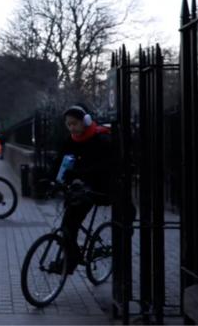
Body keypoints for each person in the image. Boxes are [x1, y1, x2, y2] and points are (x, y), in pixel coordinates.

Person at [53, 105, 112, 274]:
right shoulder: (71, 140)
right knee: (68, 225)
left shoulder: (100, 139)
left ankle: (70, 261)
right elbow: (59, 160)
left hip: (98, 188)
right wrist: (49, 179)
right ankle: (72, 257)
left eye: (74, 124)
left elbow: (104, 166)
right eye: (68, 124)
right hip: (80, 188)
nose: (71, 128)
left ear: (85, 121)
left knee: (69, 224)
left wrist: (79, 174)